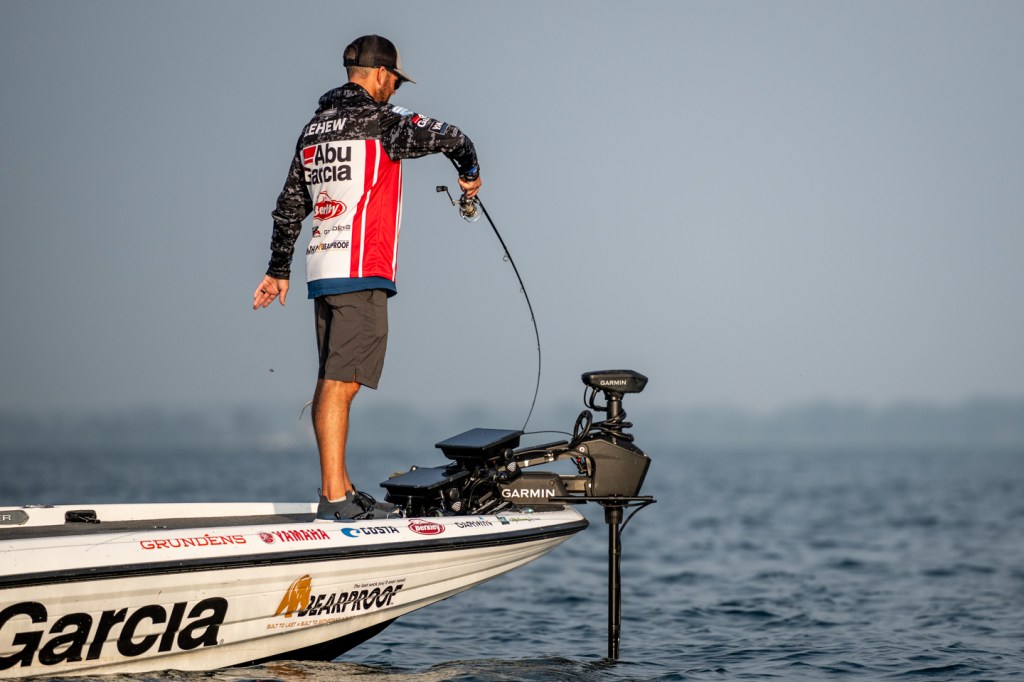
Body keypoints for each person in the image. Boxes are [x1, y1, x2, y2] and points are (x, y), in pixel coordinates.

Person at [252, 35, 481, 520]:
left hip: (321, 269)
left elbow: (290, 205)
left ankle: (339, 489)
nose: (395, 89)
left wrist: (277, 269)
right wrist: (470, 174)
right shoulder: (383, 121)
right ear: (380, 74)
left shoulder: (314, 128)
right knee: (343, 383)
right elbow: (455, 138)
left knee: (333, 380)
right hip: (360, 269)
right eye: (394, 80)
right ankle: (335, 499)